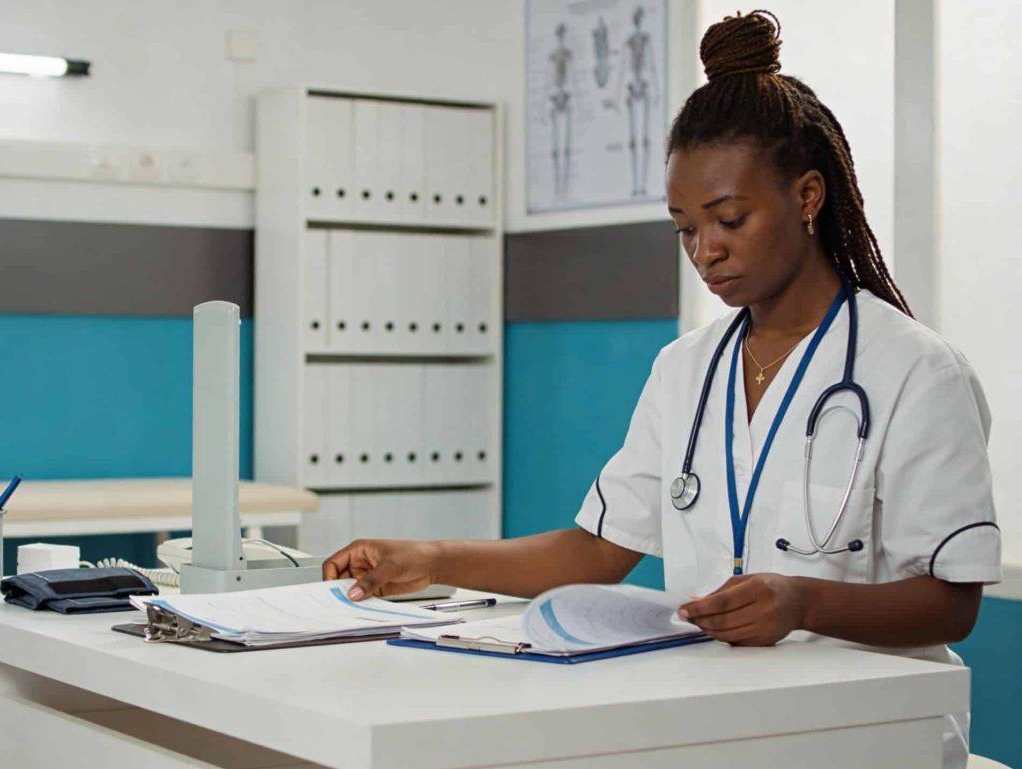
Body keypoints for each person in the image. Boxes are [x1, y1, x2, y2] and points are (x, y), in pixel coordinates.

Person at [323, 11, 1000, 767]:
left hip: (870, 734)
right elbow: (598, 550)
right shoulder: (687, 369)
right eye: (684, 228)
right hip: (712, 722)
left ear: (808, 197)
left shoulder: (915, 371)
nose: (705, 251)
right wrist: (429, 556)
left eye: (729, 219)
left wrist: (803, 602)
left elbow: (952, 600)